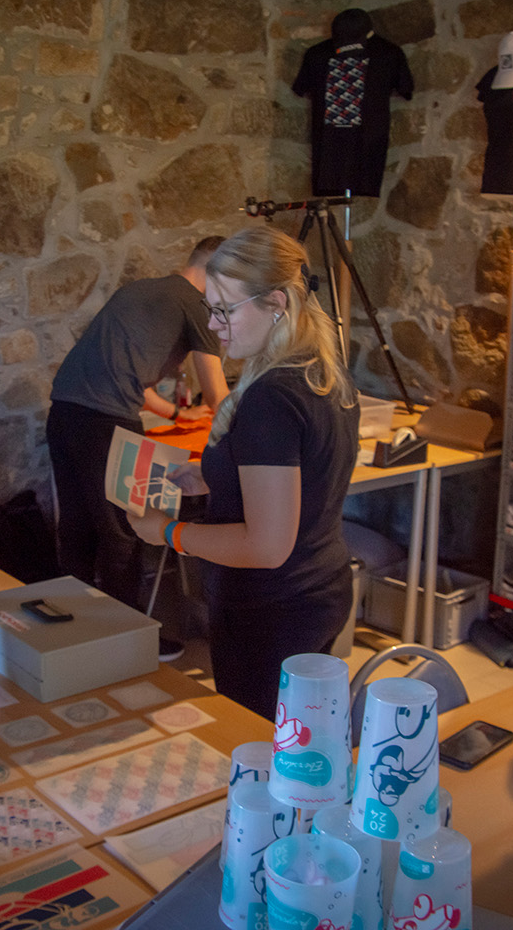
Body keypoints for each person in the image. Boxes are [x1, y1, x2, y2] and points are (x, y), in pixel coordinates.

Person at [126, 227, 360, 717]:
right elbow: (305, 478)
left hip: (272, 608)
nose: (213, 326)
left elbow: (266, 546)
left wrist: (167, 532)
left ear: (276, 302)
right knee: (295, 738)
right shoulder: (322, 373)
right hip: (319, 588)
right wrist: (218, 477)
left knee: (256, 742)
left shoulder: (271, 398)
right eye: (210, 309)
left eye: (224, 310)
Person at [47, 238, 229, 626]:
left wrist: (177, 413)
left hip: (64, 412)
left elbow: (129, 377)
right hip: (106, 422)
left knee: (78, 525)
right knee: (124, 531)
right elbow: (217, 395)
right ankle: (126, 633)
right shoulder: (197, 304)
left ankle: (72, 627)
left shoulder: (139, 290)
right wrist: (257, 431)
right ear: (217, 269)